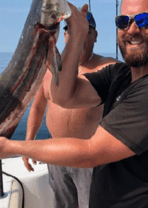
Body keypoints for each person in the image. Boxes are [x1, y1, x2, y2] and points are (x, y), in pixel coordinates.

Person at [0, 0, 148, 208]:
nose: (132, 30)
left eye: (145, 20)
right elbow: (63, 97)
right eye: (123, 21)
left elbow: (90, 152)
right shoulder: (120, 75)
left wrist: (11, 147)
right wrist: (76, 36)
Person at [22, 12, 117, 208]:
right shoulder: (50, 69)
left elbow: (137, 81)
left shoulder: (108, 68)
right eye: (72, 31)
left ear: (95, 36)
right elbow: (38, 107)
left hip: (90, 158)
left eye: (85, 32)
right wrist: (28, 142)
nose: (78, 37)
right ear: (64, 36)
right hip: (56, 154)